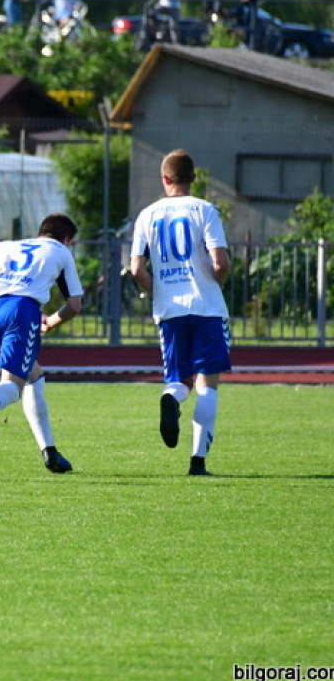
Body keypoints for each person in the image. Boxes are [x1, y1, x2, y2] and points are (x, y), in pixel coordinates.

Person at [0, 213, 83, 474]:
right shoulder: (61, 252)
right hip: (21, 310)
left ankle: (50, 452)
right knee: (12, 387)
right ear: (67, 239)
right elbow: (74, 305)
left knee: (34, 376)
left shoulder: (5, 246)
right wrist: (51, 322)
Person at [130, 150, 231, 477]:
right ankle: (197, 462)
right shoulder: (206, 210)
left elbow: (136, 269)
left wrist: (157, 291)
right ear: (193, 178)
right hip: (206, 307)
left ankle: (171, 398)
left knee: (180, 380)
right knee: (207, 384)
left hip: (170, 310)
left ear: (164, 178)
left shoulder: (147, 214)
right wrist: (218, 282)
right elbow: (220, 263)